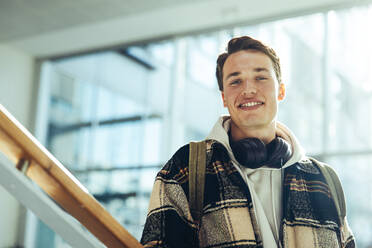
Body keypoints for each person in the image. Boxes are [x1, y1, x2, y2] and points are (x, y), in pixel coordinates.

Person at [140, 36, 355, 248]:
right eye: (235, 81)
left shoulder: (324, 180)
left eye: (260, 78)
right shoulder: (187, 167)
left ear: (281, 90)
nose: (248, 90)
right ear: (224, 98)